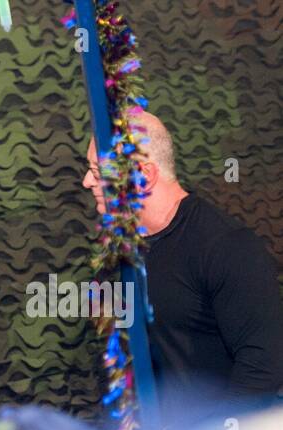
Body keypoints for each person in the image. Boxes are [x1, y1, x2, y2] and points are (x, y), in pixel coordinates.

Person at [82, 112, 283, 411]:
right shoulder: (127, 247)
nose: (87, 182)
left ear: (144, 175)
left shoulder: (226, 246)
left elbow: (263, 369)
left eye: (98, 172)